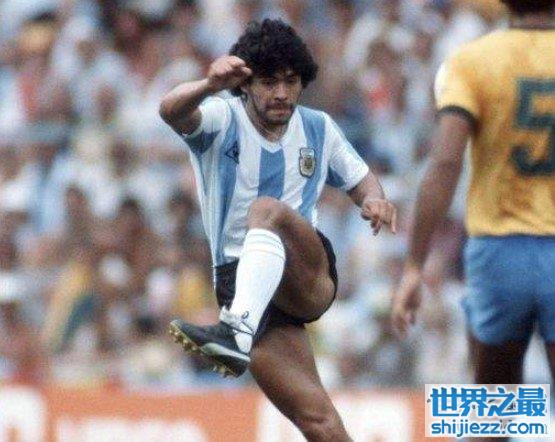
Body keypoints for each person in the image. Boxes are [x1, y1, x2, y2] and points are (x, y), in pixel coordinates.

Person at [160, 19, 396, 441]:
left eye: (291, 81)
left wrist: (375, 200)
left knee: (266, 210)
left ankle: (235, 333)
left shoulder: (318, 128)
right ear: (246, 85)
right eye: (269, 82)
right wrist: (208, 85)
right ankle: (239, 331)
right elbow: (170, 110)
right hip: (242, 290)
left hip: (304, 272)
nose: (282, 93)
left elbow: (361, 180)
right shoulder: (221, 118)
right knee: (318, 422)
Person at [392, 0, 555, 431]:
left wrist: (414, 265)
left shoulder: (473, 61)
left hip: (499, 251)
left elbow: (445, 162)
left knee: (492, 413)